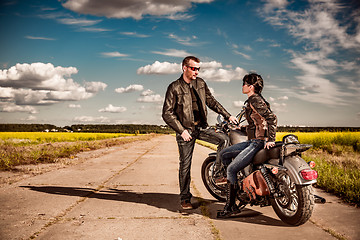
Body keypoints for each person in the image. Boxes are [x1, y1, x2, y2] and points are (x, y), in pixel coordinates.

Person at [162, 56, 238, 210]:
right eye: (193, 68)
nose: (196, 71)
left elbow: (212, 102)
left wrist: (227, 115)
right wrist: (181, 130)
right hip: (186, 131)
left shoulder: (201, 83)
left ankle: (217, 174)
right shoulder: (174, 87)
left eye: (198, 69)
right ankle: (185, 198)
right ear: (184, 68)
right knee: (185, 165)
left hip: (201, 127)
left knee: (224, 139)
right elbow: (167, 113)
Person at [216, 73, 277, 218]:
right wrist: (241, 129)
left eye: (244, 83)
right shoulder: (252, 100)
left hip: (258, 142)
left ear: (250, 87)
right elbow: (257, 123)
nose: (242, 86)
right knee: (224, 154)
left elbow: (271, 118)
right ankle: (235, 185)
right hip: (252, 140)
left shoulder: (255, 99)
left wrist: (270, 139)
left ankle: (231, 207)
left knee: (231, 168)